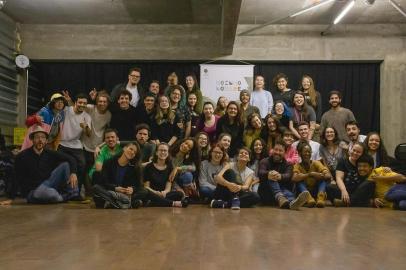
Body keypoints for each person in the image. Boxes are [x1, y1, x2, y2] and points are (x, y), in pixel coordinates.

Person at [0, 126, 79, 205]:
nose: (40, 140)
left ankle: (73, 194)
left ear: (46, 141)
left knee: (65, 165)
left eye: (43, 138)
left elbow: (71, 159)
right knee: (49, 193)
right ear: (32, 140)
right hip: (34, 191)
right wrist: (11, 198)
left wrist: (73, 173)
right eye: (37, 137)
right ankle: (63, 197)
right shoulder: (22, 156)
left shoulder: (49, 153)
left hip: (48, 183)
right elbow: (16, 176)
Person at [92, 141, 147, 209]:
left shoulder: (135, 167)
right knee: (96, 187)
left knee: (144, 191)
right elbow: (104, 182)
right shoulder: (109, 162)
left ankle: (112, 203)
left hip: (125, 194)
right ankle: (125, 203)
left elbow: (139, 185)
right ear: (124, 148)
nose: (132, 152)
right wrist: (115, 188)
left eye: (135, 152)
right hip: (112, 191)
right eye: (131, 149)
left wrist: (132, 189)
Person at [258, 141, 309, 209]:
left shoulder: (288, 165)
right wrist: (268, 173)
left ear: (285, 152)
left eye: (280, 150)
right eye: (276, 150)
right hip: (266, 193)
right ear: (272, 150)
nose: (277, 152)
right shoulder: (264, 161)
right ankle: (284, 198)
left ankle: (291, 202)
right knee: (272, 176)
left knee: (283, 188)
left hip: (283, 194)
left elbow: (288, 175)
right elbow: (260, 172)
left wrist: (280, 176)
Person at [58, 93, 92, 194]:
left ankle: (76, 191)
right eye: (80, 102)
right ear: (75, 103)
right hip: (62, 143)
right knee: (63, 165)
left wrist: (85, 127)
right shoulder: (66, 110)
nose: (82, 105)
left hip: (76, 145)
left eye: (85, 103)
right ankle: (62, 190)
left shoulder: (87, 116)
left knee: (82, 164)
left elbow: (89, 134)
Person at [326, 142, 375, 207]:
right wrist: (344, 191)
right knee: (329, 187)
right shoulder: (342, 161)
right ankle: (364, 203)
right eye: (353, 150)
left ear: (362, 154)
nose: (355, 153)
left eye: (358, 152)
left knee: (369, 183)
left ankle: (346, 203)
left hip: (360, 190)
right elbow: (339, 178)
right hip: (346, 189)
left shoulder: (364, 162)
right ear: (350, 149)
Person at [143, 143, 188, 207]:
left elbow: (168, 187)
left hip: (164, 194)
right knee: (145, 192)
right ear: (156, 152)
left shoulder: (170, 167)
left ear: (168, 153)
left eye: (165, 150)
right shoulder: (149, 166)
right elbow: (146, 186)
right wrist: (155, 192)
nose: (163, 152)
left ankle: (153, 203)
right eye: (161, 150)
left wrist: (164, 192)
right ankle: (173, 203)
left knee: (179, 194)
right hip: (152, 192)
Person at [292, 142, 331, 208]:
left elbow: (328, 175)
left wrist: (321, 175)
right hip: (304, 192)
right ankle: (309, 199)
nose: (307, 154)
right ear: (300, 153)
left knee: (322, 180)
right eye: (305, 152)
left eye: (309, 152)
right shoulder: (297, 166)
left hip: (316, 191)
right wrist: (309, 174)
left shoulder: (316, 163)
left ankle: (320, 199)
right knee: (299, 181)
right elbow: (294, 178)